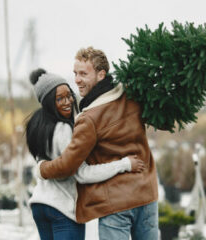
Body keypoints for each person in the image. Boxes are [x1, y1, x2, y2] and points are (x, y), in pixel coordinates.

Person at [37, 47, 159, 240]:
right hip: (147, 192)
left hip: (115, 204)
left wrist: (42, 169)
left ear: (101, 74)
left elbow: (69, 165)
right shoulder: (132, 96)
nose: (76, 80)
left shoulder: (89, 119)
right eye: (75, 73)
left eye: (83, 74)